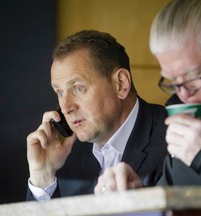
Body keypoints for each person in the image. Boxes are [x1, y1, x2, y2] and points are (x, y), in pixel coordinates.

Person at [94, 0, 201, 193]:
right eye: (174, 82)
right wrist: (139, 198)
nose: (185, 95)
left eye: (193, 76)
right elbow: (174, 197)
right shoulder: (183, 108)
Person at [26, 30, 168, 200]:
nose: (65, 108)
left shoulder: (175, 140)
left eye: (78, 88)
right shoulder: (63, 156)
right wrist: (43, 176)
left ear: (120, 84)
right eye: (60, 92)